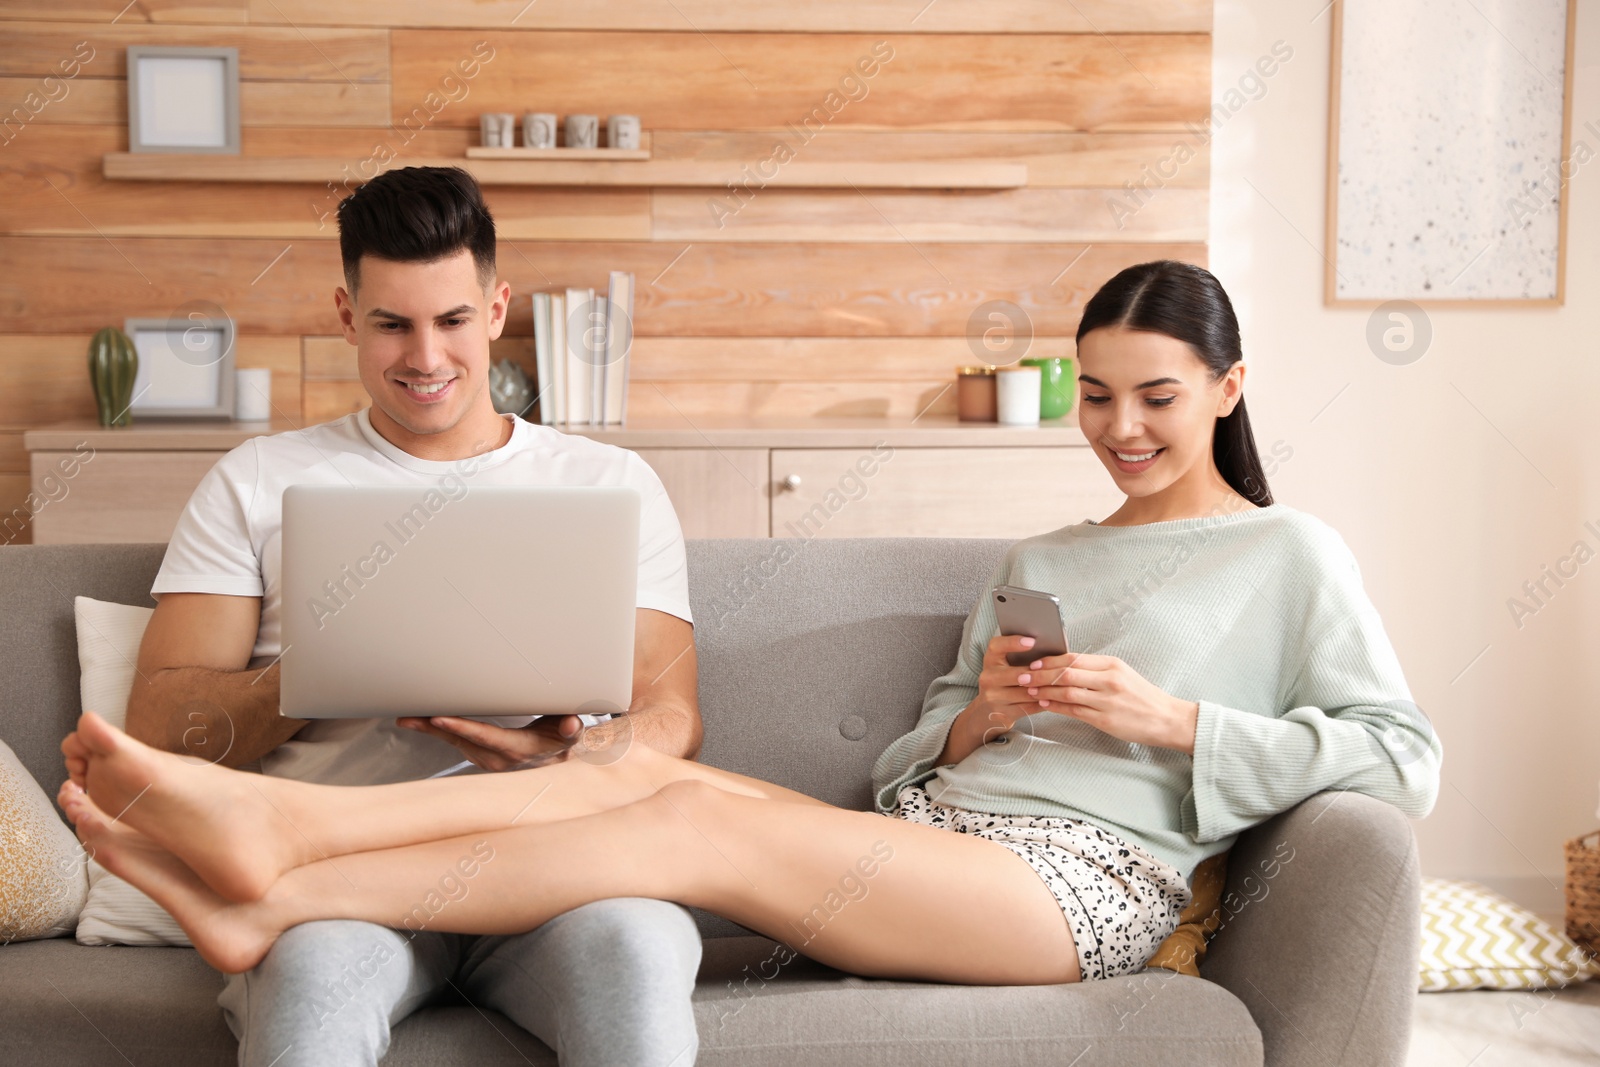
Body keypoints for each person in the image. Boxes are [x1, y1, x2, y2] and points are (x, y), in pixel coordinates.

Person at [68, 259, 1442, 1001]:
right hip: (945, 839)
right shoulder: (1043, 553)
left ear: (1229, 386)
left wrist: (1173, 718)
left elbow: (1399, 756)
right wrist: (972, 722)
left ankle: (283, 876)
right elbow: (914, 760)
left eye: (1155, 396)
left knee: (690, 822)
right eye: (1093, 397)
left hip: (1079, 888)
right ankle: (275, 838)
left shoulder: (1287, 550)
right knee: (631, 765)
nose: (1121, 430)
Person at [120, 165, 706, 1067]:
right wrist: (319, 669)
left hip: (560, 871)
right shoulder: (257, 481)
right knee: (313, 989)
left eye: (452, 320)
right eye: (393, 323)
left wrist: (568, 749)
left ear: (498, 307)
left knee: (637, 954)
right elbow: (158, 728)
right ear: (349, 316)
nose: (425, 358)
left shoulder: (610, 484)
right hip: (344, 883)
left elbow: (672, 721)